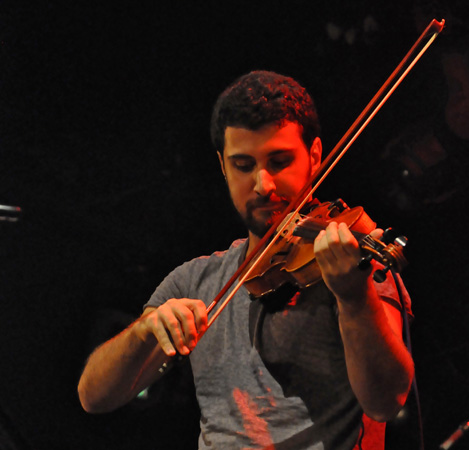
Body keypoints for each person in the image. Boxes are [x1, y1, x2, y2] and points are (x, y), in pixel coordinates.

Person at [78, 70, 415, 449]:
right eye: (243, 165)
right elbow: (94, 397)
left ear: (316, 156)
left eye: (279, 161)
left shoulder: (356, 269)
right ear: (222, 166)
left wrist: (354, 300)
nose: (263, 184)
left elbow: (387, 402)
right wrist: (143, 331)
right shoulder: (197, 280)